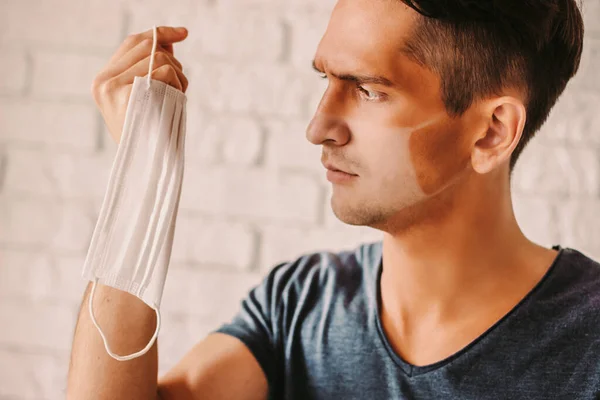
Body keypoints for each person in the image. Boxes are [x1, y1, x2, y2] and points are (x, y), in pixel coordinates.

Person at [67, 0, 600, 399]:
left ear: (490, 132)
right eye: (326, 79)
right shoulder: (300, 306)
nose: (319, 126)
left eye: (368, 89)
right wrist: (142, 174)